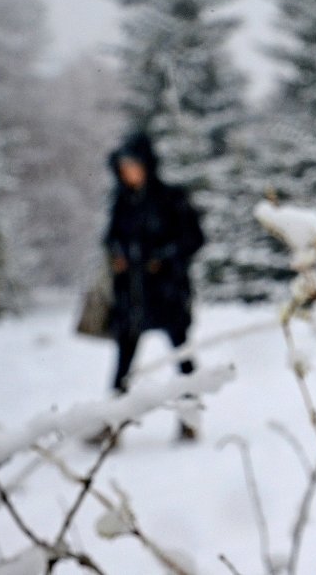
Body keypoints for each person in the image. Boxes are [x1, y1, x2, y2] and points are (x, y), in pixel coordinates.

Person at [93, 132, 205, 444]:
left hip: (168, 293)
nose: (129, 172)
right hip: (132, 296)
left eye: (134, 166)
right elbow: (111, 238)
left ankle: (190, 419)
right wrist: (119, 257)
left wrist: (161, 258)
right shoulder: (121, 202)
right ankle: (112, 425)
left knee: (182, 358)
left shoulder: (171, 198)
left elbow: (193, 239)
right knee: (124, 363)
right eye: (124, 167)